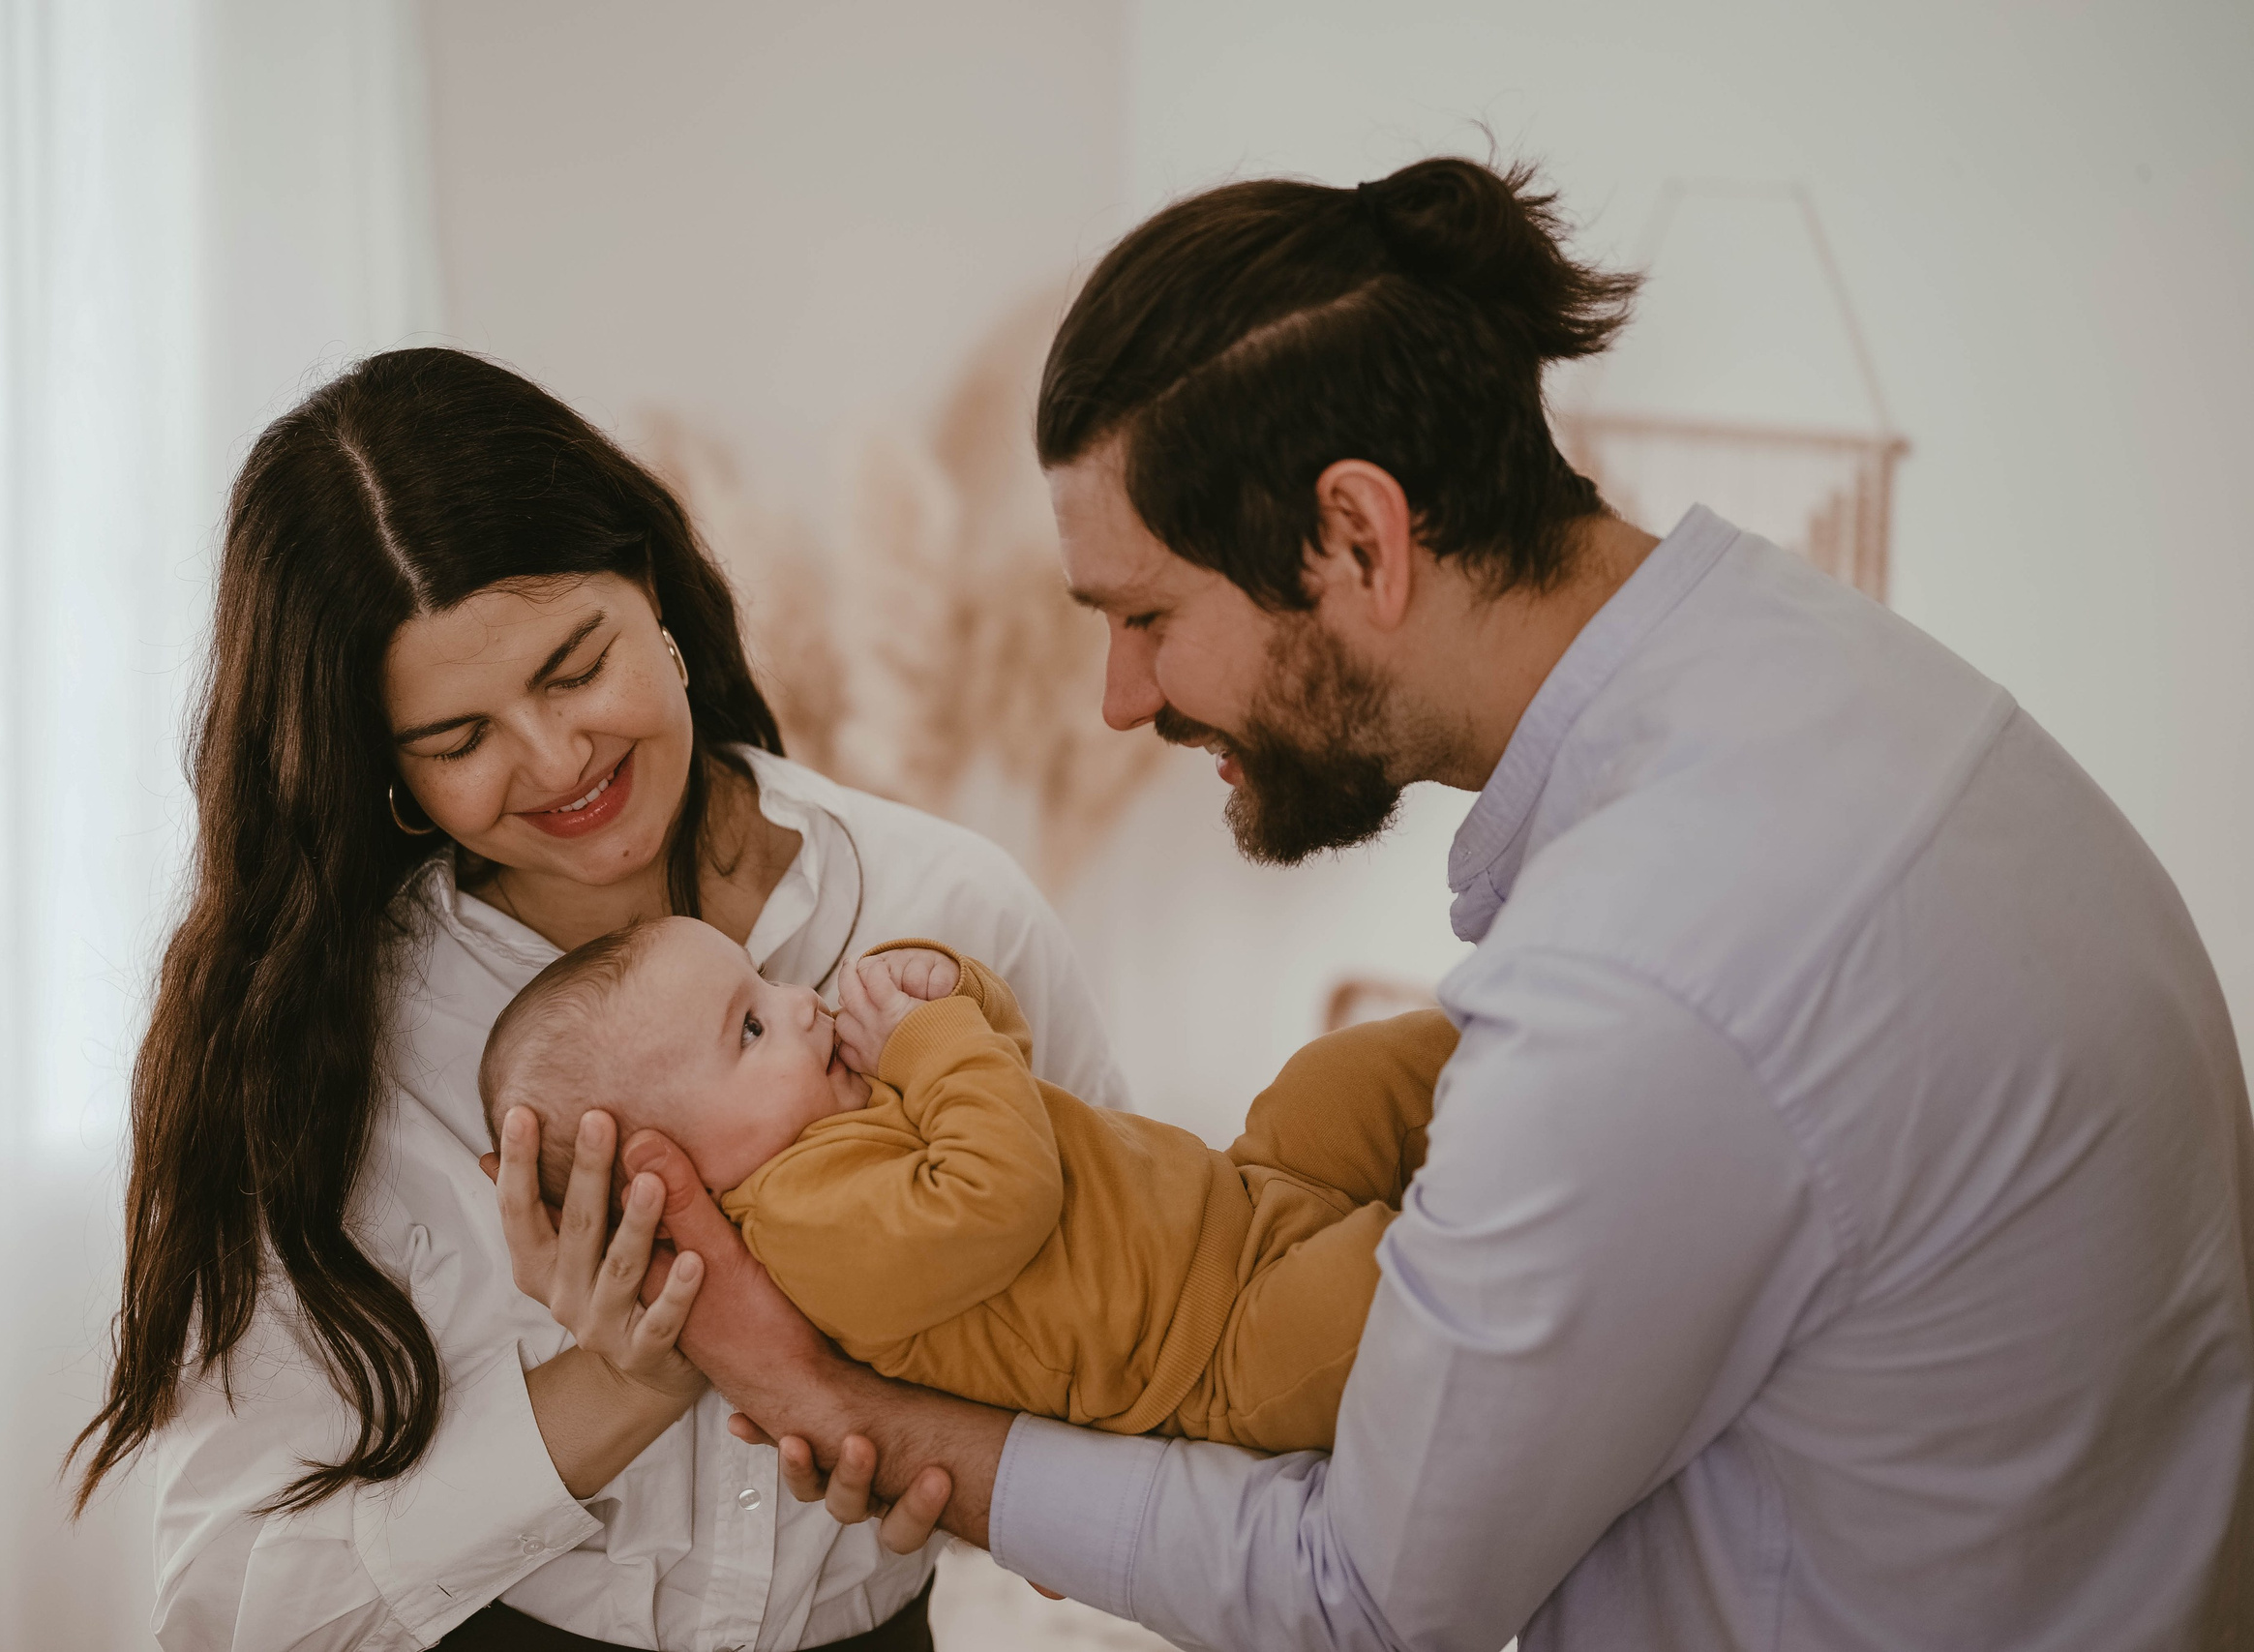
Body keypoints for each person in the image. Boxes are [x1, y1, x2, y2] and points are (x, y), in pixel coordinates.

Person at [536, 157, 2254, 1649]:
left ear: (1355, 536)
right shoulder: (1833, 677)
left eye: (1145, 615)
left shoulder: (1643, 977)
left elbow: (1374, 1596)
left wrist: (844, 1405)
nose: (1124, 700)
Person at [66, 347, 1129, 1651]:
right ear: (383, 766)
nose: (557, 758)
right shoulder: (333, 1037)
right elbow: (232, 1606)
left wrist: (942, 1452)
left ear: (658, 598)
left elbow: (1131, 1341)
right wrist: (621, 1379)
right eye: (460, 739)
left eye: (577, 665)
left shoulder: (945, 911)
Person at [480, 920, 1454, 1453]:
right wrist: (932, 1042)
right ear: (670, 1167)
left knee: (1346, 1075)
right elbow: (1002, 1193)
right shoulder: (802, 1226)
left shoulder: (841, 1116)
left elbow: (1009, 1086)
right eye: (750, 1028)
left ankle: (1532, 1046)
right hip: (1226, 1348)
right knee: (1409, 1279)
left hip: (1243, 1195)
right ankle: (1552, 1201)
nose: (800, 1000)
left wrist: (955, 995)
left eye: (768, 979)